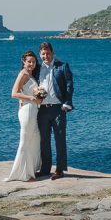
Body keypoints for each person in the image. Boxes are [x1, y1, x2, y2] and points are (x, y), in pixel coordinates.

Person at [35, 41, 73, 180]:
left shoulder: (62, 67)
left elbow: (69, 86)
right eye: (43, 54)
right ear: (40, 55)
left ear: (53, 53)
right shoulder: (37, 69)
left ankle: (60, 170)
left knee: (59, 140)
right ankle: (45, 169)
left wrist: (66, 104)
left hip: (58, 109)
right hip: (42, 110)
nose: (46, 56)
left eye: (48, 53)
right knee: (44, 141)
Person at [4, 50, 43, 182]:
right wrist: (32, 99)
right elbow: (14, 93)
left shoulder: (31, 75)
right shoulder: (23, 74)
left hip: (33, 110)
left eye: (33, 61)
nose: (31, 64)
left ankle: (31, 170)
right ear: (23, 62)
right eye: (29, 61)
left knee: (35, 140)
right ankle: (22, 175)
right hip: (27, 111)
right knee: (25, 142)